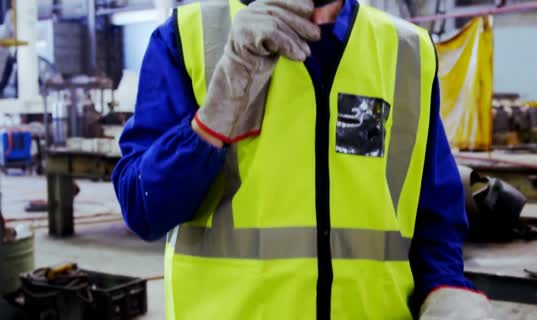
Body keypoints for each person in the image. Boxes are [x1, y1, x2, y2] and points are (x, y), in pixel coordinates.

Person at [112, 0, 493, 319]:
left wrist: (445, 288)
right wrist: (211, 122)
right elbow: (143, 208)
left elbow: (433, 217)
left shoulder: (406, 51)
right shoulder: (189, 37)